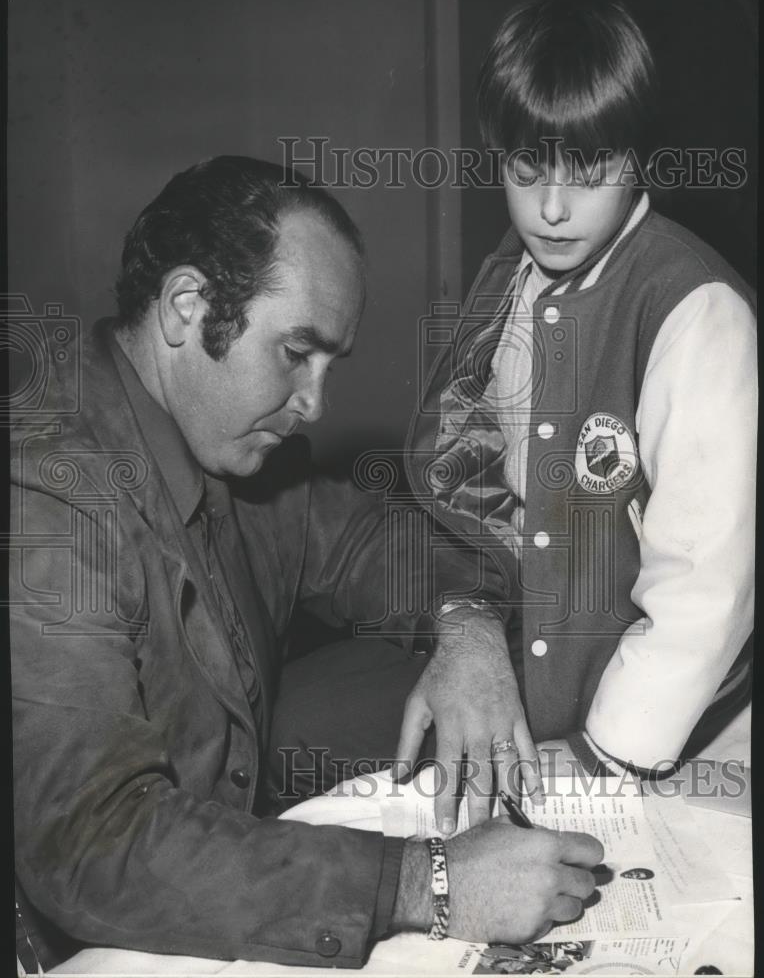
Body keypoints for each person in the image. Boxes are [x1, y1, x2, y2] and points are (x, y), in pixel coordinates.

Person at [10, 156, 603, 971]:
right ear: (188, 307)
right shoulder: (49, 496)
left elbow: (377, 546)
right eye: (296, 352)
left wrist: (464, 626)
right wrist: (429, 885)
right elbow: (91, 846)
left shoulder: (238, 457)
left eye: (331, 365)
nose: (314, 404)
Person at [407, 0, 756, 780]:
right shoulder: (508, 278)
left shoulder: (696, 308)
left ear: (637, 156)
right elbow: (477, 488)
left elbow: (706, 585)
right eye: (527, 171)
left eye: (589, 171)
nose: (552, 210)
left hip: (656, 720)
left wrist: (609, 751)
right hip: (533, 685)